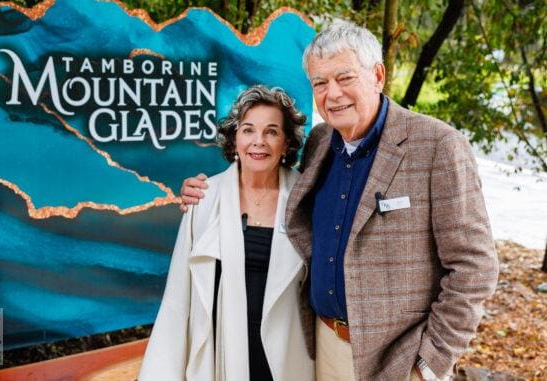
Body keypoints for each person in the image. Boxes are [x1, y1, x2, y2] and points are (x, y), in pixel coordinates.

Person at [180, 20, 499, 381]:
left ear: (377, 75)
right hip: (322, 345)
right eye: (320, 82)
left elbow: (474, 267)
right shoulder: (319, 142)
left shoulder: (438, 146)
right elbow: (272, 185)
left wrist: (429, 363)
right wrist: (208, 193)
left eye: (344, 78)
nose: (332, 94)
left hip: (398, 358)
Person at [139, 85, 315, 381]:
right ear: (234, 139)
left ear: (286, 143)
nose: (259, 142)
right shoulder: (204, 198)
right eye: (248, 130)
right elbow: (179, 295)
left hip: (289, 355)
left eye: (272, 132)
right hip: (223, 350)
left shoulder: (306, 199)